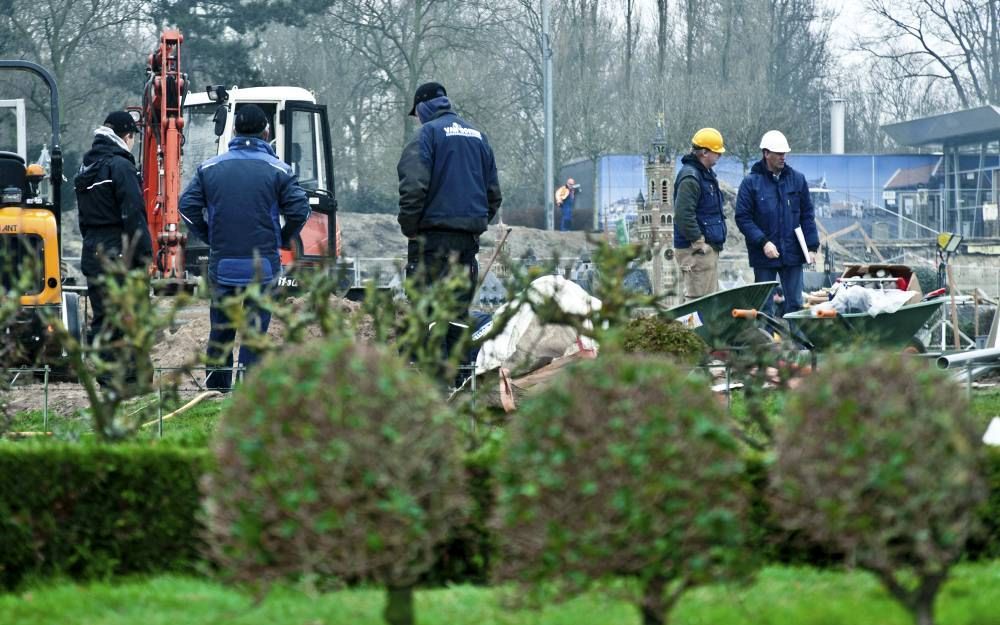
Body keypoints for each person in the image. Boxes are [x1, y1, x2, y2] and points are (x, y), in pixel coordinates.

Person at [179, 104, 310, 391]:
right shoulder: (279, 170)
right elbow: (300, 211)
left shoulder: (210, 168)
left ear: (235, 131)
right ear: (266, 132)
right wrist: (282, 238)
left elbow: (186, 208)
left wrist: (210, 236)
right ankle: (249, 393)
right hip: (262, 266)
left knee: (221, 331)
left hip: (223, 262)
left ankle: (215, 391)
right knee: (254, 332)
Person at [397, 81, 502, 334]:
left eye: (418, 113)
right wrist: (474, 224)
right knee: (458, 315)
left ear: (423, 107)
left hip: (432, 242)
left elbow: (413, 187)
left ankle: (432, 372)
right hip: (467, 243)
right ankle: (459, 372)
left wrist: (409, 228)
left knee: (429, 314)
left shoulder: (427, 135)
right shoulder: (478, 137)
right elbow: (494, 195)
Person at [74, 110, 153, 386]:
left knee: (103, 317)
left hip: (92, 250)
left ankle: (106, 378)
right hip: (118, 250)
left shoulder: (86, 167)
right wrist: (145, 256)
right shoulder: (120, 166)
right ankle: (133, 380)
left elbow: (83, 219)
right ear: (127, 136)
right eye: (133, 138)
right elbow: (134, 214)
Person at [735, 130, 819, 316]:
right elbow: (743, 218)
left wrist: (812, 247)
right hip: (764, 256)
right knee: (764, 305)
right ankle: (766, 343)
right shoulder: (751, 183)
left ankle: (799, 344)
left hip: (793, 253)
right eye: (778, 153)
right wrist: (763, 242)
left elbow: (807, 215)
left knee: (796, 303)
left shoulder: (797, 180)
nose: (783, 157)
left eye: (784, 153)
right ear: (766, 154)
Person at [673, 127, 727, 300]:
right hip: (696, 251)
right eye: (716, 152)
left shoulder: (704, 175)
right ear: (704, 152)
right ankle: (692, 329)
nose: (719, 156)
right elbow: (683, 214)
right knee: (698, 303)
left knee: (708, 301)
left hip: (704, 251)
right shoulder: (691, 178)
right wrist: (698, 242)